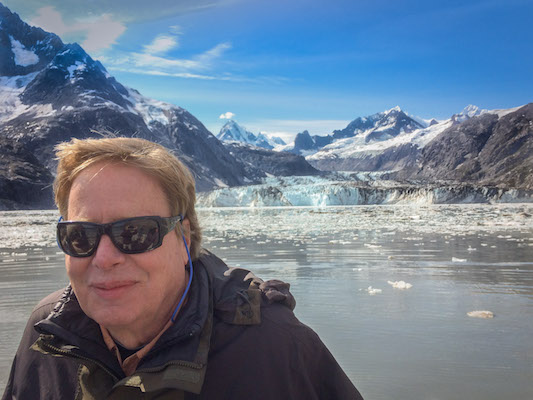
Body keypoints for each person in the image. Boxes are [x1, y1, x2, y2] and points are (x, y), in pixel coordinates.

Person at [2, 137, 363, 399]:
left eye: (136, 233)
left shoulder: (275, 348)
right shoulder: (46, 336)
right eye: (79, 235)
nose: (104, 258)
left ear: (183, 236)